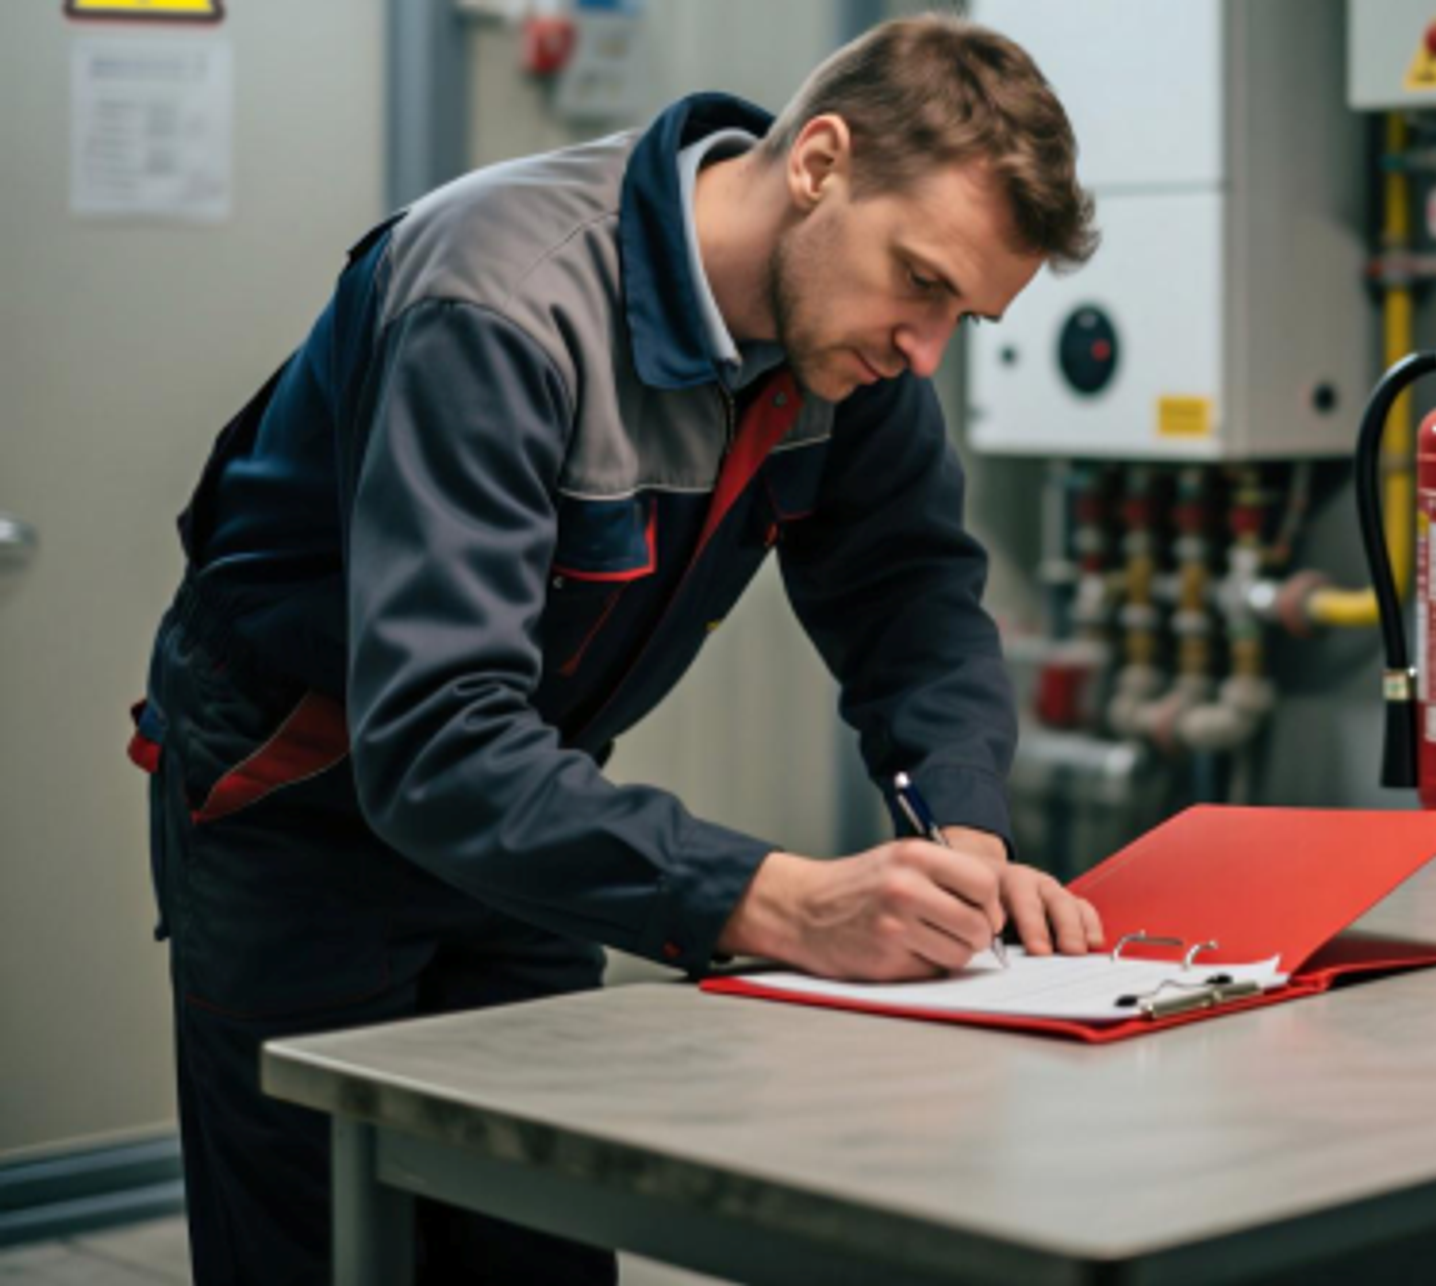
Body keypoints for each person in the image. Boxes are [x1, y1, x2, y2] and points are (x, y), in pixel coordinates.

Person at [127, 14, 1103, 1283]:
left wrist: (963, 833)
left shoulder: (849, 349)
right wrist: (787, 903)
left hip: (525, 809)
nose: (924, 352)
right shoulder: (499, 300)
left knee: (534, 1236)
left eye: (961, 318)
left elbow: (910, 590)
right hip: (299, 805)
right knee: (318, 1241)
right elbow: (429, 739)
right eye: (921, 281)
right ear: (818, 162)